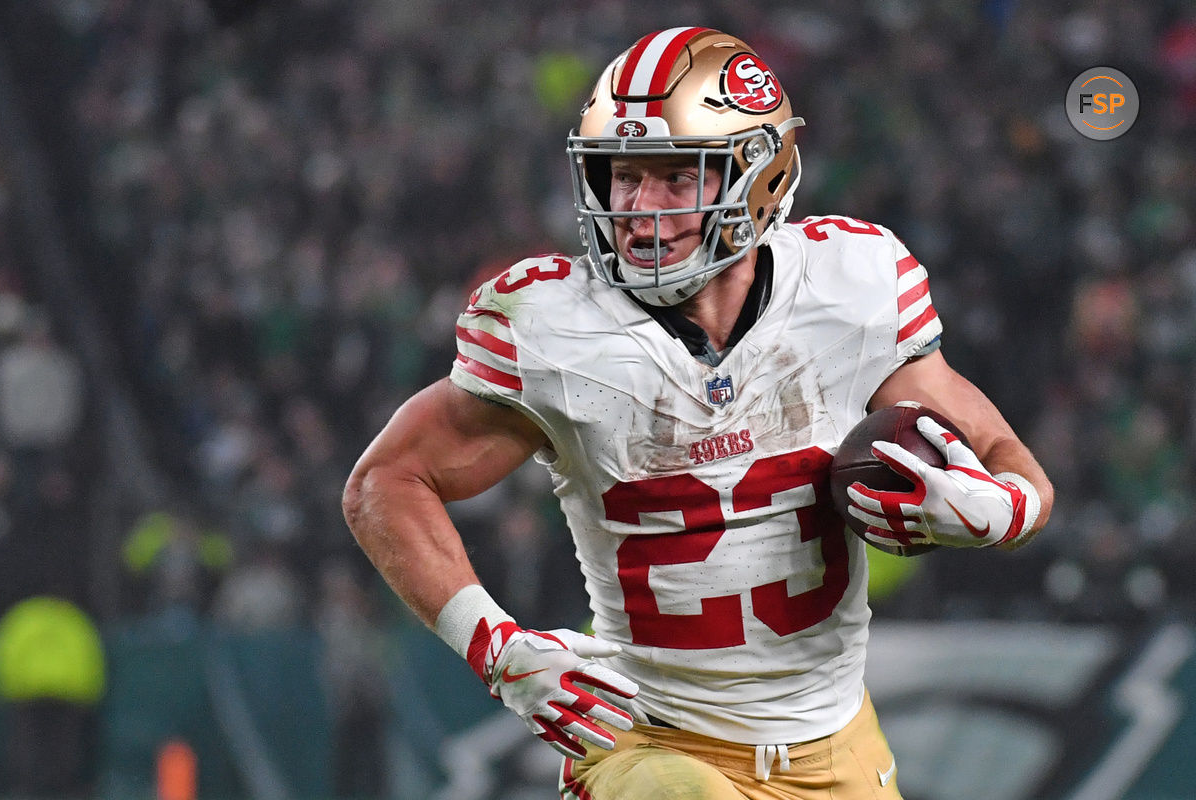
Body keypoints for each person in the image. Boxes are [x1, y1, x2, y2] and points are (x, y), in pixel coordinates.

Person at [342, 26, 1054, 800]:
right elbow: (386, 481)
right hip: (648, 744)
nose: (641, 210)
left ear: (761, 178)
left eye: (678, 178)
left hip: (835, 746)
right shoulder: (551, 328)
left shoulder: (850, 288)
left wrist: (1003, 508)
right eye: (622, 177)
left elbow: (1007, 458)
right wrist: (496, 647)